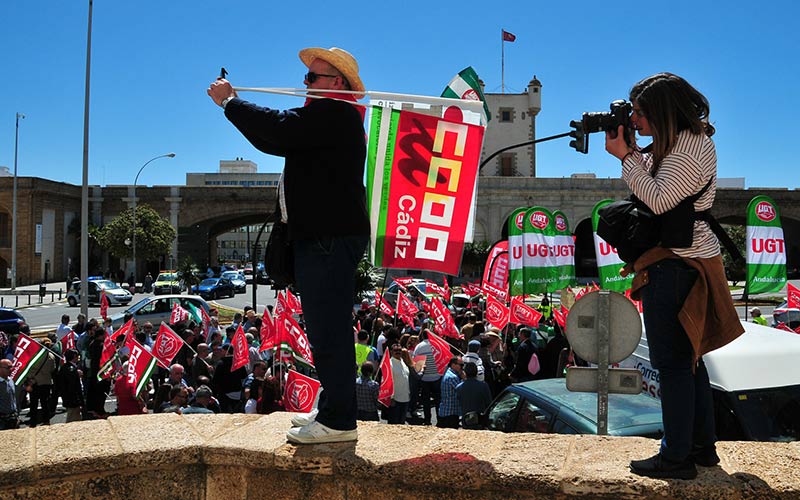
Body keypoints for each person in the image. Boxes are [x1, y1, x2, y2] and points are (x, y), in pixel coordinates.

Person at [209, 46, 369, 444]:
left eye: (312, 79)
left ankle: (338, 420)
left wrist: (231, 102)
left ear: (336, 84)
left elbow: (278, 128)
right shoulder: (329, 117)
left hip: (327, 238)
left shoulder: (334, 113)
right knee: (323, 326)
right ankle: (333, 408)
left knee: (328, 328)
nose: (304, 85)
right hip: (324, 237)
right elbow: (274, 138)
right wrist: (232, 107)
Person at [605, 72, 743, 480]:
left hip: (677, 266)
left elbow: (661, 198)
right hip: (682, 262)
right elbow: (661, 183)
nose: (635, 120)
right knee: (689, 363)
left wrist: (627, 159)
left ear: (662, 112)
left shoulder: (687, 147)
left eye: (641, 113)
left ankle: (676, 457)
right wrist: (634, 153)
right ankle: (700, 449)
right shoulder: (684, 142)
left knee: (674, 365)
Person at [457, 362, 493, 429]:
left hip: (466, 421)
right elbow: (489, 403)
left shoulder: (459, 387)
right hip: (480, 421)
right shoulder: (484, 386)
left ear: (465, 373)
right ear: (476, 373)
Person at [56, 349, 84, 423]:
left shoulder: (65, 367)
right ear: (74, 356)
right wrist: (79, 400)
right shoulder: (71, 370)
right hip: (73, 399)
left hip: (69, 398)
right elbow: (73, 386)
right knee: (73, 419)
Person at [437, 356, 464, 429]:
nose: (462, 367)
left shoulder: (448, 372)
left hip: (446, 411)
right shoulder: (452, 377)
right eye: (461, 365)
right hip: (450, 413)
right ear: (453, 364)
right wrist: (464, 378)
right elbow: (462, 390)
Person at [0, 359, 19, 430]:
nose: (11, 369)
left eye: (12, 367)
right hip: (2, 420)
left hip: (13, 417)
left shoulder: (11, 380)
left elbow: (13, 398)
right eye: (8, 367)